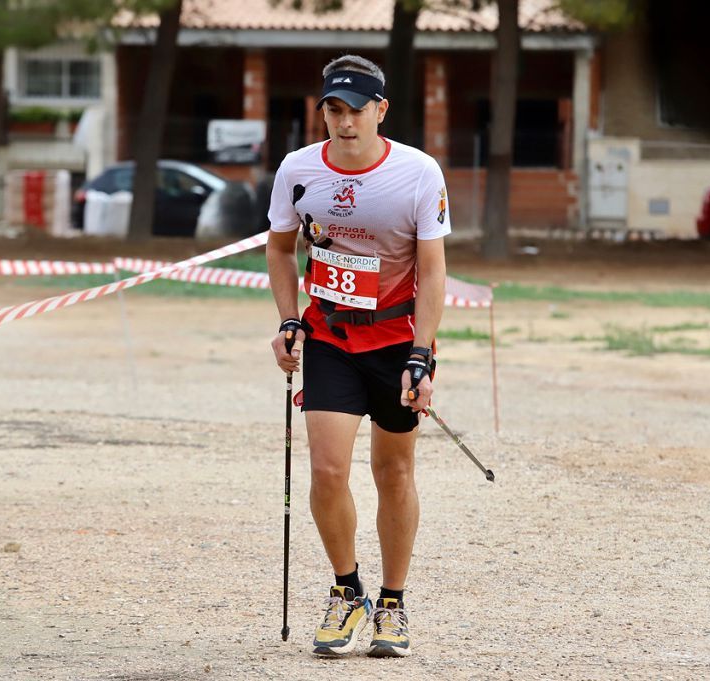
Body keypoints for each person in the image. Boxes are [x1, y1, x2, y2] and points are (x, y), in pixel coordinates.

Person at [266, 54, 449, 658]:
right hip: (330, 340)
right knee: (326, 471)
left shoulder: (418, 173)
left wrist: (422, 355)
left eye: (356, 111)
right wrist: (289, 321)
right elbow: (280, 250)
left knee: (393, 471)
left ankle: (393, 603)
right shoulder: (297, 170)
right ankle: (347, 591)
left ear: (381, 111)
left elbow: (432, 267)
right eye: (333, 110)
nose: (344, 123)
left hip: (396, 342)